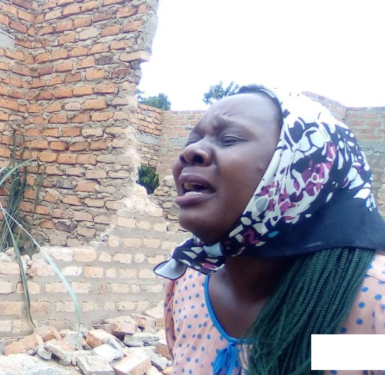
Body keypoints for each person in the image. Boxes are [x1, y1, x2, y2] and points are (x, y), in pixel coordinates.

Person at [155, 85, 385, 374]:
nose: (190, 151)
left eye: (229, 139)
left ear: (304, 167)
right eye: (193, 139)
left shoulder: (372, 301)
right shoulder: (186, 281)